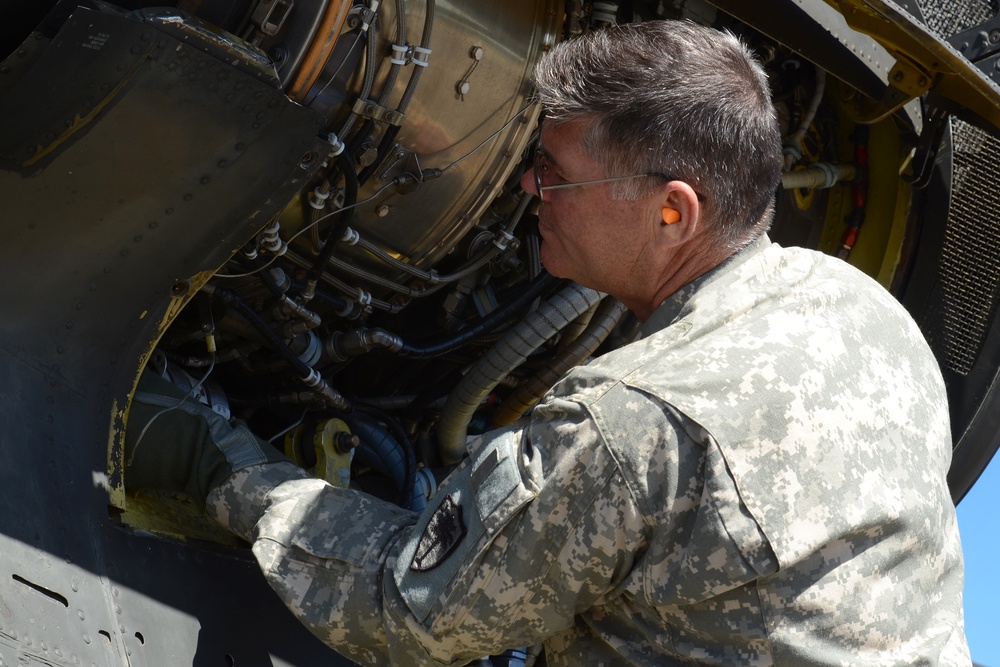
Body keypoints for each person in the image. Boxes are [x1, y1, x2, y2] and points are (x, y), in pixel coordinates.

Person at [125, 19, 971, 666]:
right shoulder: (869, 315)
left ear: (673, 211)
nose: (530, 186)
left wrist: (222, 468)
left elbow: (411, 610)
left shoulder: (627, 423)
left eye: (557, 172)